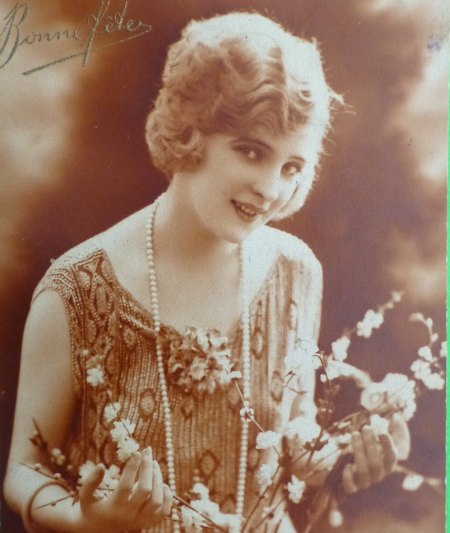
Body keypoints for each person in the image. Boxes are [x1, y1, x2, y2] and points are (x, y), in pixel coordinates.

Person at [3, 11, 409, 533]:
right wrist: (83, 520)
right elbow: (23, 470)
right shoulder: (76, 290)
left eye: (292, 167)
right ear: (190, 132)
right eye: (251, 151)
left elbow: (291, 432)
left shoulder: (295, 271)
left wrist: (352, 454)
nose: (270, 188)